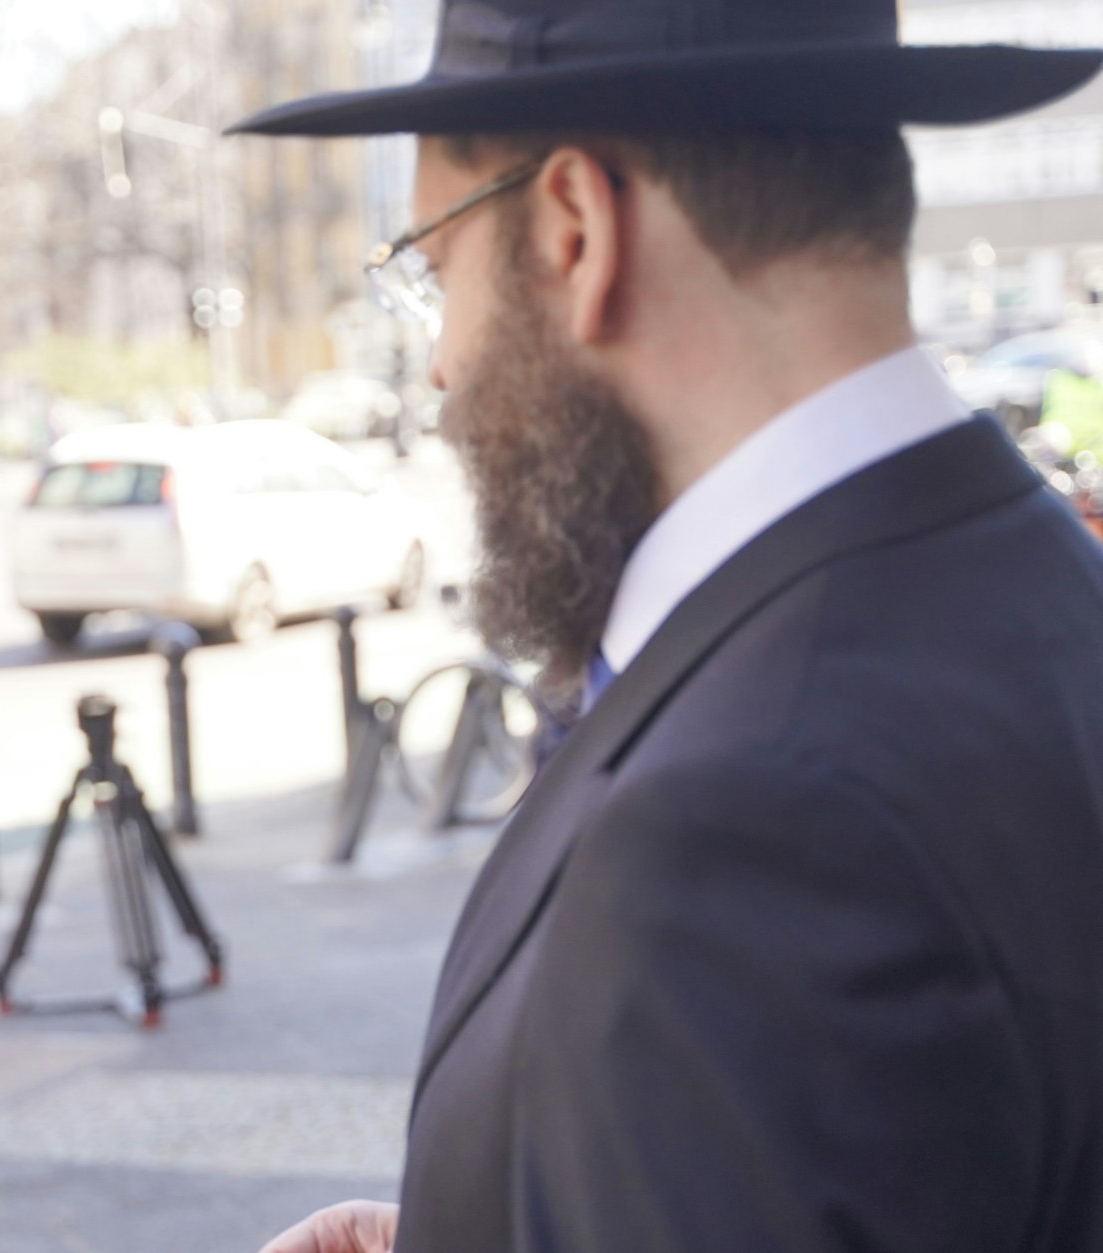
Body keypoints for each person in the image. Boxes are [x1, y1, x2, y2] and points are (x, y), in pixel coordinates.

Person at [229, 2, 1103, 1251]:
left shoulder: (745, 822)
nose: (437, 369)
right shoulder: (1034, 585)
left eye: (433, 272)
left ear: (576, 231)